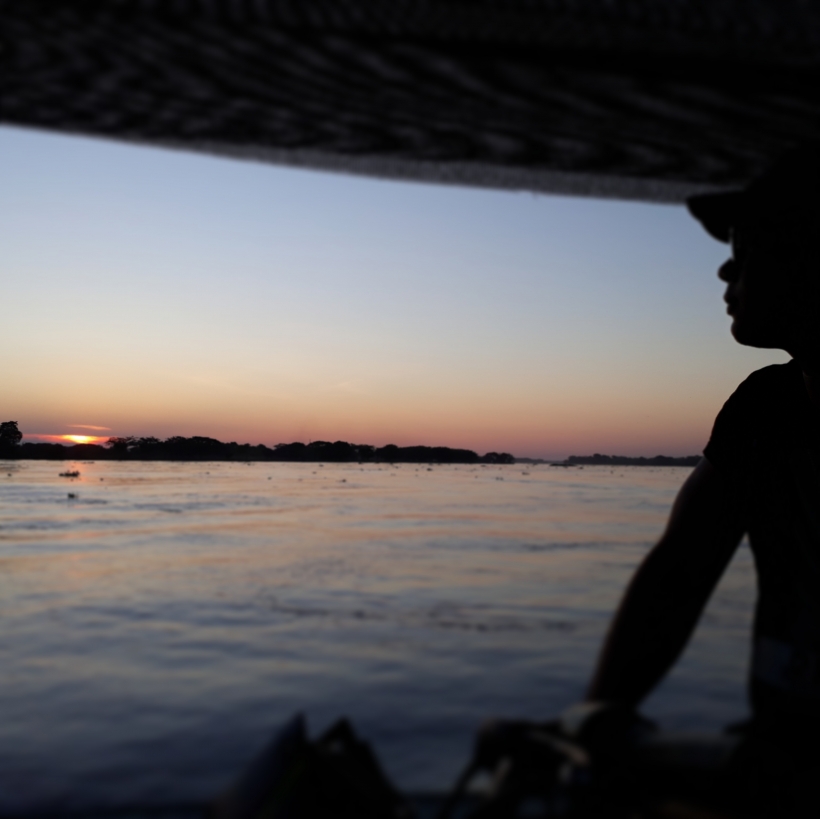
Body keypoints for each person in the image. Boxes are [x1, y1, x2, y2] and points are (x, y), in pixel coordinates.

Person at [582, 146, 820, 816]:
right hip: (779, 759)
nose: (724, 266)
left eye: (749, 245)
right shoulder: (763, 410)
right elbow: (679, 571)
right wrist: (598, 715)